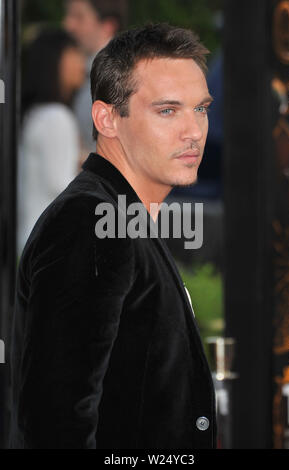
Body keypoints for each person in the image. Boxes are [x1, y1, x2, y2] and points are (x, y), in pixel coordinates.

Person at [9, 24, 216, 449]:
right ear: (106, 119)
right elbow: (56, 424)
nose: (194, 131)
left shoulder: (119, 213)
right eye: (168, 110)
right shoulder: (89, 220)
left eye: (201, 108)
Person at [18, 29, 85, 256]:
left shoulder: (36, 113)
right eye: (74, 53)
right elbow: (62, 186)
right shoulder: (56, 117)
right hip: (51, 245)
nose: (81, 62)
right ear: (55, 61)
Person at [64, 0, 127, 153]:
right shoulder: (86, 72)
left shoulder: (121, 77)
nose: (68, 25)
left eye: (79, 17)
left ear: (108, 25)